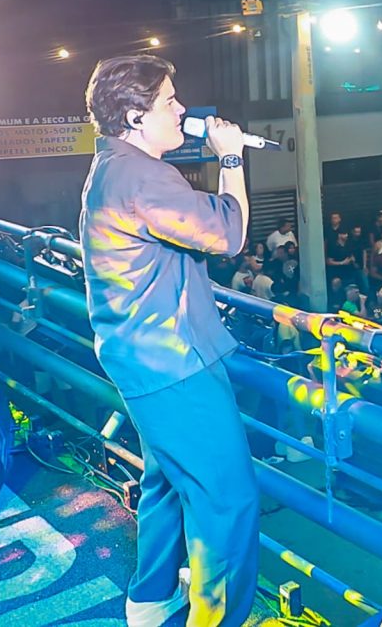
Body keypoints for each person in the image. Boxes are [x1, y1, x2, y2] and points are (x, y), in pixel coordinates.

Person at [81, 55, 258, 627]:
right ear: (135, 116)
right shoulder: (143, 177)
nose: (182, 109)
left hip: (142, 358)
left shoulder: (114, 165)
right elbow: (227, 233)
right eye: (168, 101)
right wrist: (230, 157)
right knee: (227, 500)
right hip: (172, 362)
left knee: (165, 481)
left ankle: (151, 600)